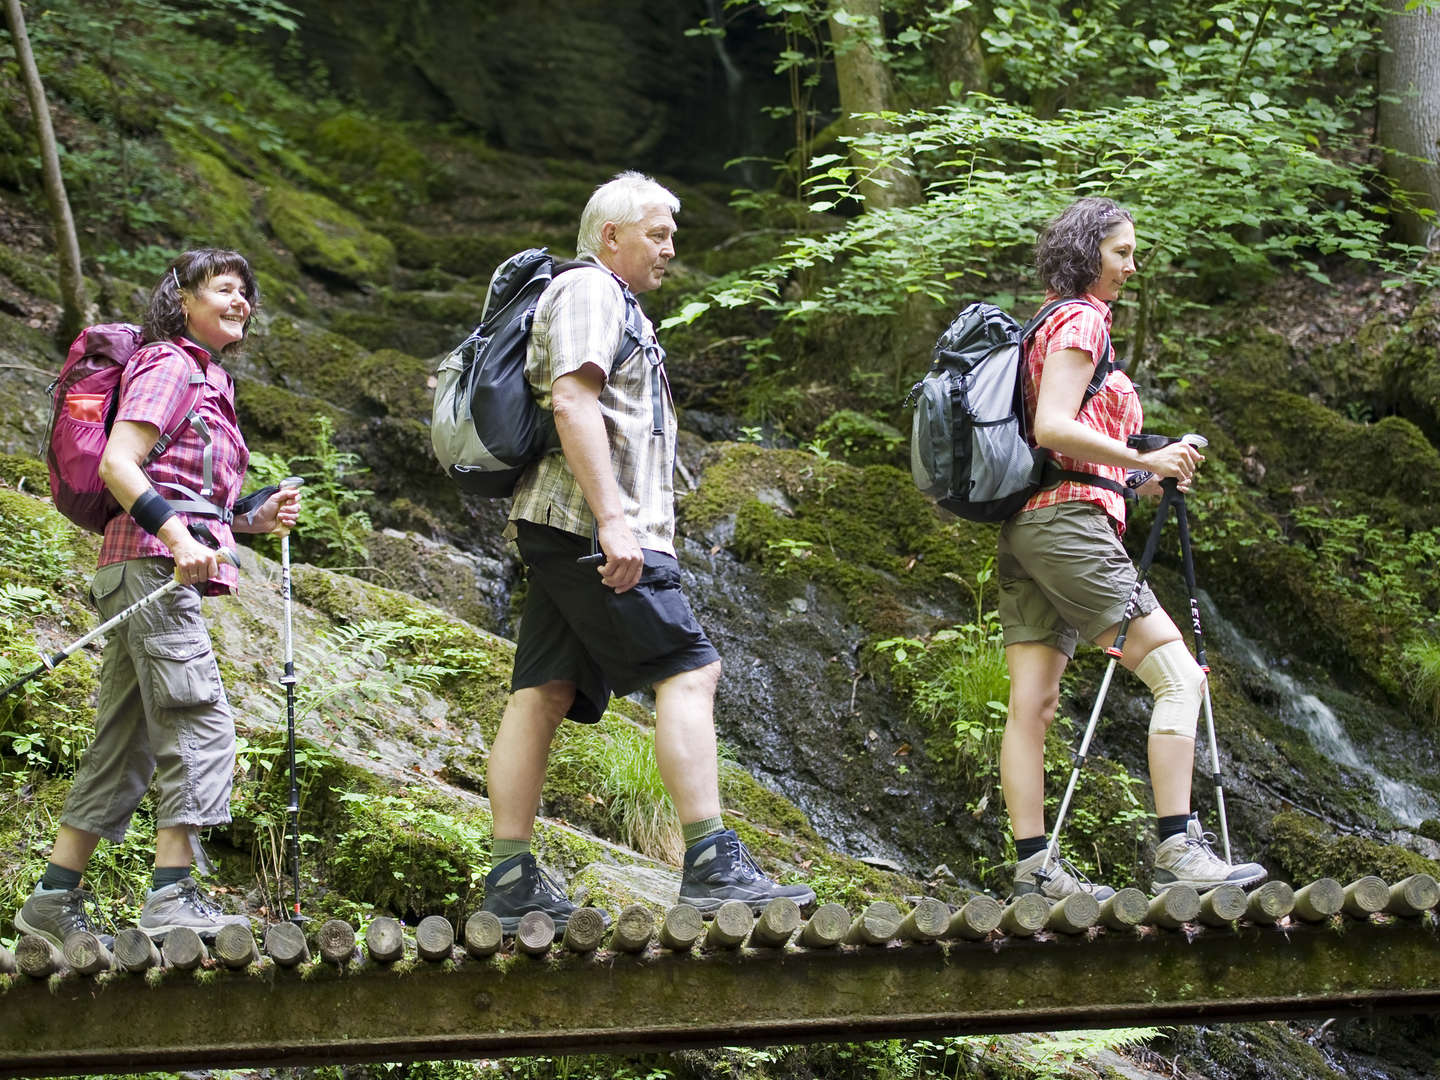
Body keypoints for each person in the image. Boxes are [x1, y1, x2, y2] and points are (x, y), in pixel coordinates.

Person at [481, 172, 815, 931]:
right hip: (591, 527)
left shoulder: (614, 303)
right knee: (692, 669)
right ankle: (711, 865)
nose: (671, 248)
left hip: (567, 527)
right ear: (611, 236)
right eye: (658, 233)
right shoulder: (592, 292)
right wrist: (615, 522)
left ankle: (509, 880)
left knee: (543, 691)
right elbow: (572, 399)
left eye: (672, 235)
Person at [15, 249, 301, 946]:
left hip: (145, 566)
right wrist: (177, 540)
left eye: (247, 294)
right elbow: (118, 464)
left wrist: (247, 519)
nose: (242, 303)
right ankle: (174, 894)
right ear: (183, 302)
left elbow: (185, 490)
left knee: (127, 740)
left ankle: (53, 899)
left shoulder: (210, 380)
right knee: (202, 722)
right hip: (151, 569)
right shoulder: (171, 365)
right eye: (226, 290)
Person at [998, 197, 1267, 900]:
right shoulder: (1082, 319)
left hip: (1031, 525)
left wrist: (1147, 472)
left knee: (1033, 703)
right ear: (1089, 252)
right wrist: (1141, 458)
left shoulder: (1046, 324)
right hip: (1068, 527)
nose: (1130, 266)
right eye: (1121, 252)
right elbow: (1056, 428)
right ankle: (1178, 846)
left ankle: (1034, 866)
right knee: (1180, 678)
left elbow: (1064, 448)